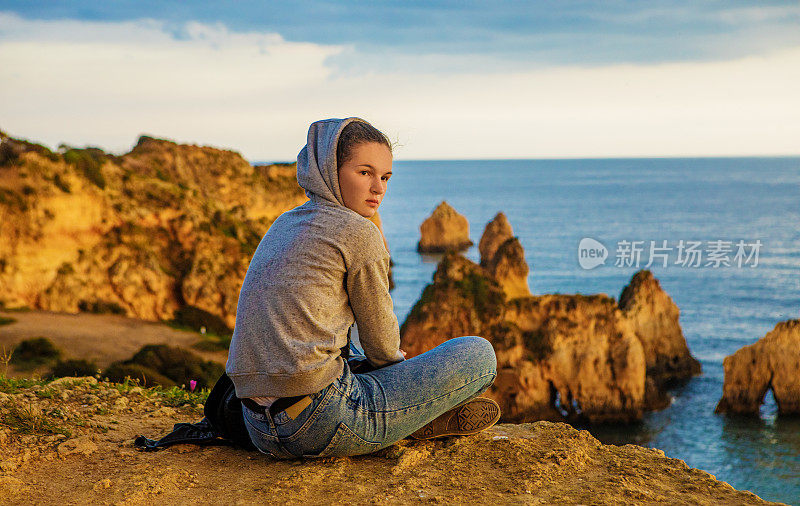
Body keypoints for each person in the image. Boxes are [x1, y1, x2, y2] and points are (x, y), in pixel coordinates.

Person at [225, 117, 499, 459]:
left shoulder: (284, 223)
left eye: (384, 177)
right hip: (320, 421)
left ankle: (399, 419)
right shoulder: (358, 231)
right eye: (365, 172)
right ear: (330, 169)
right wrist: (400, 378)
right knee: (480, 354)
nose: (379, 188)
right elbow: (383, 347)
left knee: (349, 352)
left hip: (257, 427)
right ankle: (407, 423)